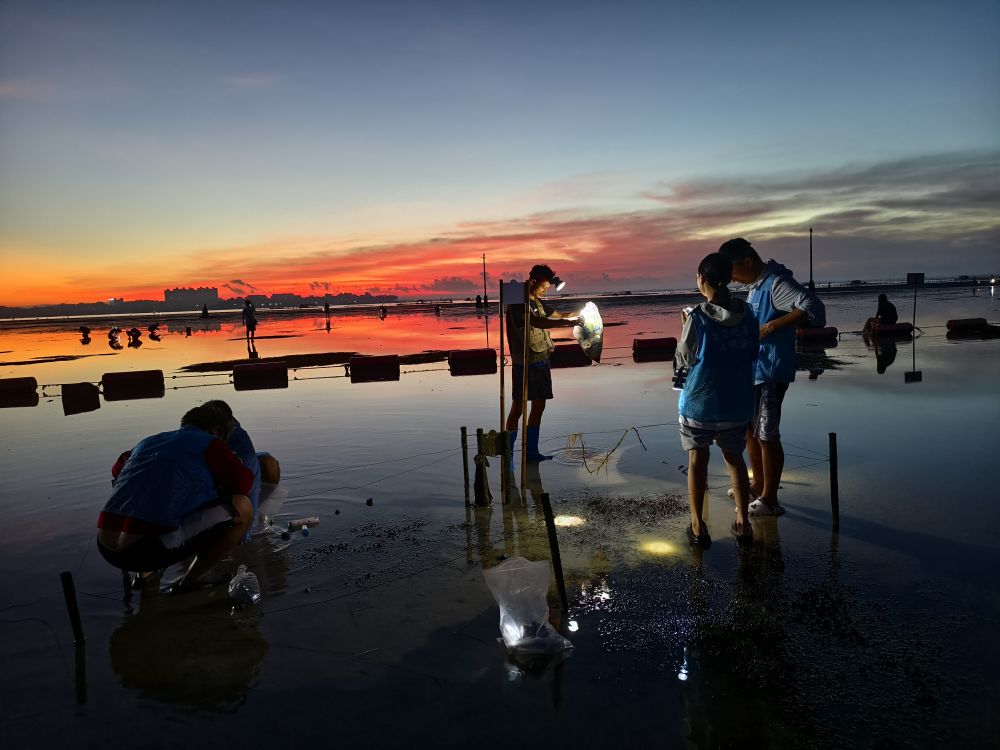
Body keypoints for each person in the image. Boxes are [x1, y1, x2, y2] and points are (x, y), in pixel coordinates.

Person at [718, 238, 826, 516]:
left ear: (747, 261)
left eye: (732, 272)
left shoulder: (777, 283)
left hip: (771, 372)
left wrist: (773, 326)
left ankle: (770, 499)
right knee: (750, 432)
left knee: (766, 434)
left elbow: (814, 308)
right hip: (754, 371)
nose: (732, 279)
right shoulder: (756, 286)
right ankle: (757, 485)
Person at [97, 404, 254, 590]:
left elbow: (117, 472)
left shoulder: (148, 442)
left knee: (153, 492)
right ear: (217, 431)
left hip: (105, 544)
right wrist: (234, 462)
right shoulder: (211, 444)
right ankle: (189, 581)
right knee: (242, 507)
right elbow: (243, 484)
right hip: (145, 550)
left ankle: (144, 575)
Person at [676, 253, 759, 546]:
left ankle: (698, 527)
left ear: (703, 279)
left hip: (700, 402)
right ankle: (743, 523)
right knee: (735, 459)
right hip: (736, 403)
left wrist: (684, 324)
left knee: (697, 460)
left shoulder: (697, 316)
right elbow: (752, 351)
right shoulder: (748, 313)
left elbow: (683, 358)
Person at [504, 264, 579, 463]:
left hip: (541, 360)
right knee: (518, 408)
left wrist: (578, 315)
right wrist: (567, 323)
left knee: (539, 407)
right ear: (534, 281)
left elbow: (558, 315)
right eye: (544, 288)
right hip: (524, 363)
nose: (545, 291)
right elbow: (535, 322)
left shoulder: (537, 301)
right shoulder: (517, 301)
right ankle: (508, 455)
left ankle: (531, 452)